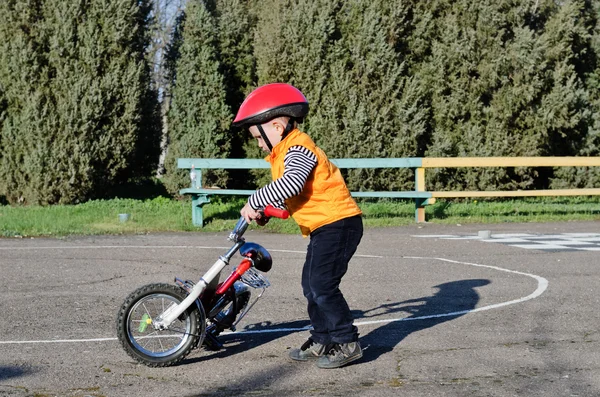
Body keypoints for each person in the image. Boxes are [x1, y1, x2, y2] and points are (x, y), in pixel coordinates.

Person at [233, 83, 364, 369]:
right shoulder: (283, 153)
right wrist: (267, 210)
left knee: (322, 285)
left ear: (277, 127)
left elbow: (292, 182)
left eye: (258, 136)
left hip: (339, 223)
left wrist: (256, 199)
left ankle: (347, 341)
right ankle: (322, 338)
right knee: (310, 285)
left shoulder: (298, 147)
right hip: (325, 225)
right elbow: (296, 193)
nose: (257, 143)